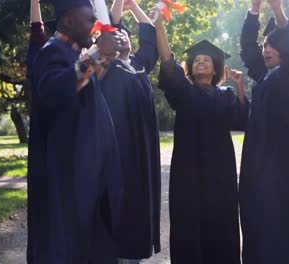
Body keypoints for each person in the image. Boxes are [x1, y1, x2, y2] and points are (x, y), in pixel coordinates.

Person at [27, 0, 125, 262]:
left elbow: (85, 84)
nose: (93, 25)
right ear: (68, 20)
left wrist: (104, 57)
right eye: (87, 20)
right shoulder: (51, 51)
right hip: (67, 173)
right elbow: (54, 90)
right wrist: (95, 54)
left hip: (86, 171)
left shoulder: (72, 54)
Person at [154, 13, 249, 264]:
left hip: (221, 177)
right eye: (196, 60)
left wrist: (239, 85)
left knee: (222, 225)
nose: (200, 62)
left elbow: (241, 121)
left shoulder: (226, 95)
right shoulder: (183, 92)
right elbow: (167, 62)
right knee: (189, 226)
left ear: (216, 67)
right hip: (189, 175)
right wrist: (159, 27)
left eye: (206, 60)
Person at [238, 0, 289, 263]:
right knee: (255, 236)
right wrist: (254, 9)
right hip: (257, 173)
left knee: (276, 240)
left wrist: (277, 9)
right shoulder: (266, 76)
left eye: (272, 45)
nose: (265, 49)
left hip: (281, 177)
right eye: (265, 45)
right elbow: (248, 49)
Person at [98, 0, 161, 263]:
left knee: (138, 208)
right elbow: (109, 31)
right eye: (118, 35)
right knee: (117, 209)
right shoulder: (107, 68)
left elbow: (150, 37)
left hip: (142, 156)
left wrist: (133, 6)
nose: (123, 37)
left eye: (125, 34)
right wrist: (115, 12)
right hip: (118, 151)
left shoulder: (140, 64)